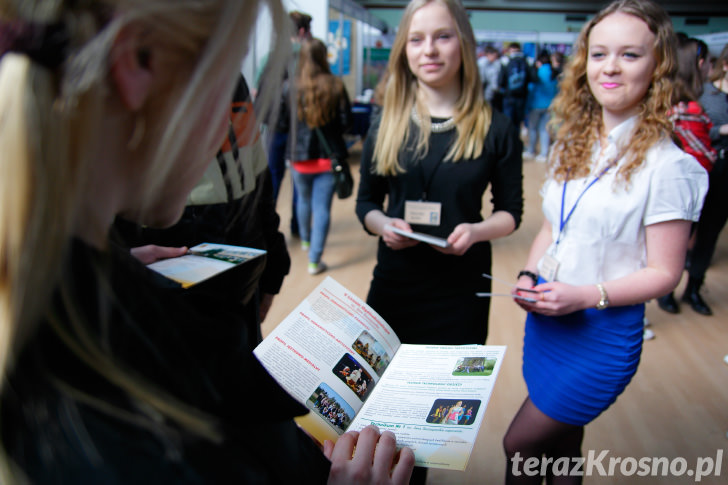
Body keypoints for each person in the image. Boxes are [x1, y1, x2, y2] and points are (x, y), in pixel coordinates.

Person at [0, 1, 414, 483]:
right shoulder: (148, 435)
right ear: (138, 62)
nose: (227, 122)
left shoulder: (57, 303)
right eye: (225, 70)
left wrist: (117, 270)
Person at [502, 1, 708, 483]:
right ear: (584, 63)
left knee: (520, 445)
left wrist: (583, 295)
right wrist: (531, 275)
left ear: (657, 67)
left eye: (630, 55)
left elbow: (665, 273)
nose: (610, 67)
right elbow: (555, 227)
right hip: (549, 320)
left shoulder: (668, 166)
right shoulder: (571, 143)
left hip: (600, 335)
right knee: (561, 440)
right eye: (599, 54)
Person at [355, 0, 523, 348]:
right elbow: (367, 203)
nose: (429, 50)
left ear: (463, 42)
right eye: (416, 39)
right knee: (378, 395)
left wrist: (476, 231)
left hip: (461, 287)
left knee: (446, 399)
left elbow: (510, 212)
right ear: (404, 49)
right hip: (395, 281)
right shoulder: (385, 125)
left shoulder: (496, 128)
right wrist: (385, 225)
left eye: (443, 36)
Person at [115, 73, 290, 340]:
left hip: (242, 259)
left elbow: (256, 175)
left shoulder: (228, 73)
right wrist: (113, 261)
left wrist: (274, 262)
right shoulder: (132, 73)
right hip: (167, 265)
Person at [655, 36, 716, 315]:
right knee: (676, 241)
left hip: (709, 179)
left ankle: (690, 289)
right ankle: (667, 291)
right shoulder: (681, 106)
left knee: (702, 238)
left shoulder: (706, 101)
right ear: (699, 64)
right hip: (691, 179)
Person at [284, 37, 353, 275]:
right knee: (322, 208)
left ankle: (305, 240)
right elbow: (347, 123)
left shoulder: (290, 86)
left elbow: (283, 123)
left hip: (298, 159)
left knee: (302, 200)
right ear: (324, 57)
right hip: (328, 159)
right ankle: (314, 260)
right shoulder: (334, 85)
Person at [678, 43, 728, 315]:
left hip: (721, 172)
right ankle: (666, 291)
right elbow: (694, 134)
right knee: (684, 229)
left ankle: (694, 288)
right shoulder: (703, 94)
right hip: (703, 168)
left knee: (710, 233)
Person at [256, 10, 313, 238]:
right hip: (301, 127)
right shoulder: (309, 56)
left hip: (274, 126)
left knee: (273, 176)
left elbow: (257, 89)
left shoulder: (270, 56)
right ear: (302, 31)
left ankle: (266, 225)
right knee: (299, 177)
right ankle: (298, 227)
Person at [524, 50, 559, 162]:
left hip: (535, 104)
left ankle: (531, 150)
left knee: (533, 128)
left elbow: (531, 88)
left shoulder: (537, 72)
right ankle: (544, 153)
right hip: (549, 106)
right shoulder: (554, 72)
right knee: (544, 130)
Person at [499, 41, 531, 130]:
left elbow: (500, 80)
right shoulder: (525, 61)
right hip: (521, 97)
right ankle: (515, 141)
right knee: (517, 123)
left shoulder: (505, 61)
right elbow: (531, 78)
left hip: (508, 97)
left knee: (508, 122)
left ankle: (508, 142)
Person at [478, 44, 503, 112]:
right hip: (483, 90)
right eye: (494, 55)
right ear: (489, 54)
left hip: (490, 92)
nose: (495, 57)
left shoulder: (495, 64)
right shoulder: (482, 63)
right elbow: (483, 79)